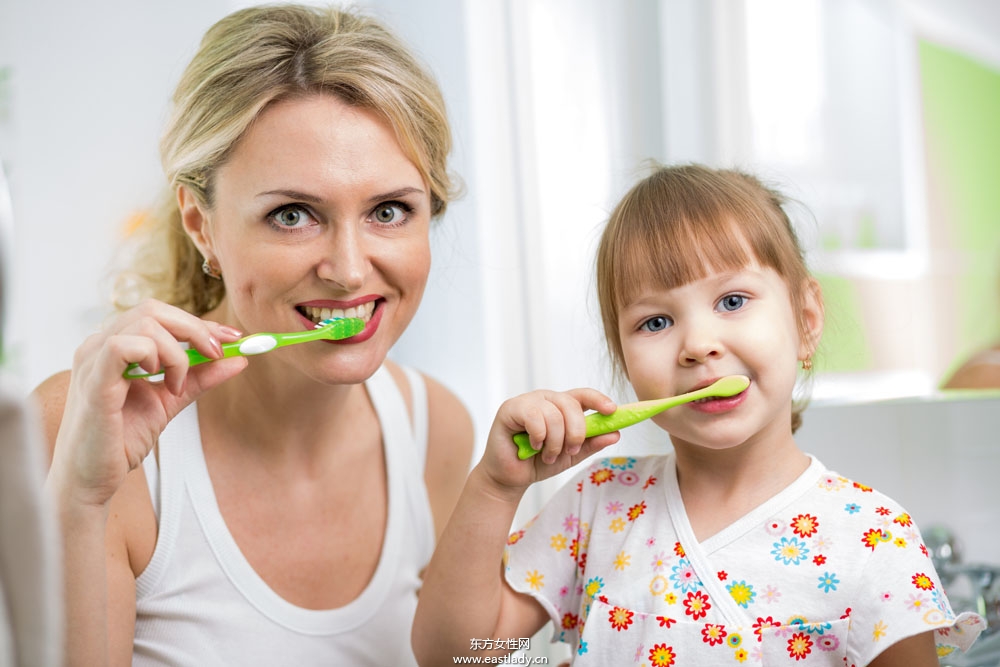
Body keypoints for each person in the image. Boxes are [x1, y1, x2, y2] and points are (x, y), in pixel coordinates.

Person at [32, 5, 474, 665]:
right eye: (293, 214)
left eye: (389, 210)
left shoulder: (436, 428)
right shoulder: (84, 427)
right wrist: (79, 500)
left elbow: (468, 656)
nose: (351, 270)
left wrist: (578, 639)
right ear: (201, 224)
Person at [413, 164, 985, 666]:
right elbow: (459, 656)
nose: (697, 344)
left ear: (806, 320)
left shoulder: (871, 536)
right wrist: (494, 486)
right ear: (624, 360)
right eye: (655, 323)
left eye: (732, 302)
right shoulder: (597, 506)